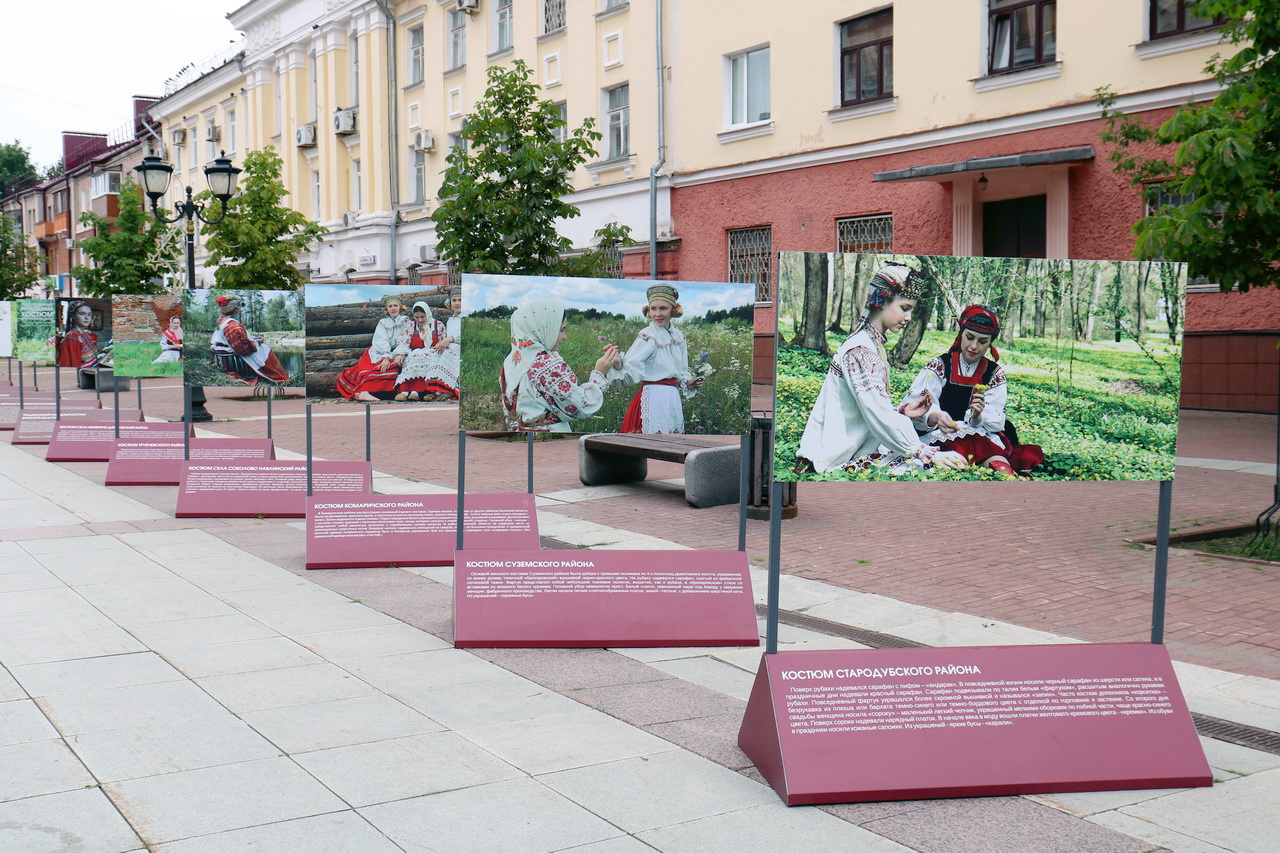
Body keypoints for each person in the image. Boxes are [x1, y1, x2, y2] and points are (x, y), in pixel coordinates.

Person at [796, 261, 968, 475]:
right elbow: (879, 416)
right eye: (904, 308)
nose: (908, 318)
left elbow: (868, 408)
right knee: (926, 464)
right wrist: (926, 453)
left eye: (910, 310)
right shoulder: (861, 350)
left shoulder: (868, 343)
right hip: (835, 456)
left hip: (850, 444)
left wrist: (903, 412)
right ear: (882, 301)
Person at [901, 304, 1044, 477]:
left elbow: (996, 420)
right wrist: (935, 416)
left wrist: (978, 416)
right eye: (969, 337)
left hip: (979, 436)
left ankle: (1008, 478)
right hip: (939, 434)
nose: (974, 346)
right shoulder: (940, 366)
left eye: (982, 341)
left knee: (989, 453)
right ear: (961, 334)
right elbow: (914, 405)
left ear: (990, 343)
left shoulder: (994, 374)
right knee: (953, 457)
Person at [500, 298, 620, 432]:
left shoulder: (512, 361)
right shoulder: (546, 364)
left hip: (516, 435)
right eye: (561, 330)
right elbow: (581, 405)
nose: (565, 336)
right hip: (549, 437)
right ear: (544, 328)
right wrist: (599, 373)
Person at [611, 284, 703, 434]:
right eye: (653, 309)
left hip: (671, 398)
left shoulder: (679, 336)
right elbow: (630, 366)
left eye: (663, 308)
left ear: (673, 310)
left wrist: (687, 382)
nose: (657, 314)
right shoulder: (647, 336)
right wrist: (618, 363)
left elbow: (680, 370)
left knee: (671, 439)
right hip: (652, 396)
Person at [336, 296, 409, 402]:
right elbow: (380, 339)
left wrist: (401, 353)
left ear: (400, 308)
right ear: (386, 309)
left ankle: (368, 392)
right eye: (390, 306)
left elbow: (406, 339)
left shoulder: (406, 322)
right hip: (381, 351)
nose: (393, 308)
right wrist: (385, 356)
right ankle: (364, 392)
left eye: (395, 306)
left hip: (398, 351)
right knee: (375, 367)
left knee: (393, 369)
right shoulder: (383, 322)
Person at [209, 294, 291, 386]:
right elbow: (243, 350)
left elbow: (239, 340)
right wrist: (257, 343)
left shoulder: (224, 322)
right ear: (234, 308)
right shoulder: (233, 326)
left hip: (226, 353)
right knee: (266, 353)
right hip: (238, 357)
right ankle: (279, 377)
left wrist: (253, 339)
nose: (240, 308)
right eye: (239, 305)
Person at [394, 301, 440, 402]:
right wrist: (400, 354)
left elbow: (442, 342)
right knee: (413, 358)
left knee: (424, 359)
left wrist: (438, 347)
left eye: (423, 317)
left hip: (432, 352)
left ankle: (416, 391)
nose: (420, 320)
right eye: (417, 317)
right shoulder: (412, 325)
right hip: (414, 352)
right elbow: (404, 341)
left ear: (428, 313)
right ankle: (404, 391)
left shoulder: (437, 325)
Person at [58, 301, 101, 369]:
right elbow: (74, 365)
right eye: (82, 314)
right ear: (73, 316)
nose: (86, 318)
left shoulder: (84, 334)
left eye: (89, 314)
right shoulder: (72, 337)